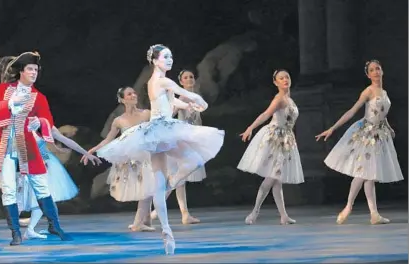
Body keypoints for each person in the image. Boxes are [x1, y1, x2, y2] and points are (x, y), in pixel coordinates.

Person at [95, 44, 225, 255]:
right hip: (163, 129)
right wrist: (198, 100)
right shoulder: (163, 79)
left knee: (161, 182)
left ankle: (166, 230)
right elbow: (182, 92)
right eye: (165, 57)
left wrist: (186, 106)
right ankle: (170, 192)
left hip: (158, 130)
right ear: (155, 60)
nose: (169, 60)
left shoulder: (152, 81)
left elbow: (170, 99)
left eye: (171, 56)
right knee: (192, 162)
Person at [0, 51, 98, 245]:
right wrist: (9, 103)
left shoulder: (39, 97)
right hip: (6, 147)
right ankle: (16, 233)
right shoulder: (4, 90)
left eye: (36, 70)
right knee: (9, 190)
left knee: (42, 187)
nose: (34, 73)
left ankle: (54, 225)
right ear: (21, 71)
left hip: (29, 147)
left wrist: (39, 122)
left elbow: (49, 125)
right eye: (30, 69)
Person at [316, 60, 404, 225]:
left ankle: (374, 214)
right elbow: (352, 111)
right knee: (363, 172)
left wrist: (388, 127)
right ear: (368, 75)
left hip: (379, 135)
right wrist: (333, 128)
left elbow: (381, 114)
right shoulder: (368, 91)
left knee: (370, 175)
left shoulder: (384, 92)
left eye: (378, 68)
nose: (376, 72)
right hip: (367, 134)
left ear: (382, 71)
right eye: (372, 70)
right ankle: (348, 206)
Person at [0, 127, 99, 239]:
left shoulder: (43, 123)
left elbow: (64, 140)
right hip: (27, 166)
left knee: (44, 197)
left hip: (45, 165)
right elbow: (7, 145)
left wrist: (86, 153)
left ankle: (35, 228)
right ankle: (22, 228)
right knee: (26, 198)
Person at [83, 87, 157, 232]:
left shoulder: (146, 114)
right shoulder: (119, 120)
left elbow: (158, 128)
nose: (133, 95)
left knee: (149, 188)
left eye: (134, 93)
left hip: (147, 155)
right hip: (131, 160)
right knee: (146, 189)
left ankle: (144, 220)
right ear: (122, 99)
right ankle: (138, 223)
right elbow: (108, 139)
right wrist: (92, 150)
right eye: (129, 94)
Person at [237, 69, 303, 225]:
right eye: (281, 78)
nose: (285, 80)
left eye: (287, 77)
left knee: (277, 179)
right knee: (272, 177)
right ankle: (255, 212)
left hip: (285, 140)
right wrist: (250, 128)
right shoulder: (279, 99)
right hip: (275, 139)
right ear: (276, 82)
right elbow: (266, 114)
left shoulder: (289, 99)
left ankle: (283, 216)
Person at [149, 69, 204, 225]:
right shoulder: (182, 98)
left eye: (191, 77)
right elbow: (169, 115)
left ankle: (184, 214)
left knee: (180, 177)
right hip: (180, 140)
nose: (189, 79)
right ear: (181, 82)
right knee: (178, 176)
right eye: (185, 78)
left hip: (191, 140)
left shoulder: (195, 98)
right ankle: (155, 211)